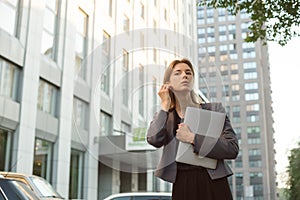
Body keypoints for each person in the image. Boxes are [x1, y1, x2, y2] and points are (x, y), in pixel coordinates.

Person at [146, 58, 239, 200]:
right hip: (183, 184)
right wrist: (165, 105)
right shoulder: (165, 116)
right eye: (178, 73)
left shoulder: (214, 110)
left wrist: (193, 138)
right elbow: (153, 139)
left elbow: (232, 148)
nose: (185, 75)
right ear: (168, 83)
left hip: (214, 182)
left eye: (188, 72)